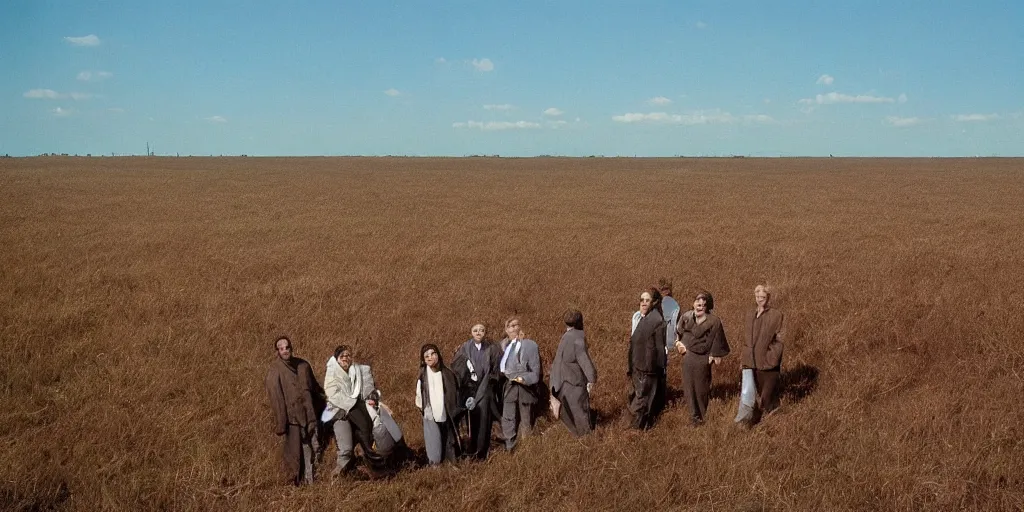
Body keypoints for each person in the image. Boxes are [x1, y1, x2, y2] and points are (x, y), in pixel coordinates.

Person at [322, 346, 392, 477]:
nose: (345, 358)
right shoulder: (331, 374)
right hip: (340, 414)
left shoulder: (356, 371)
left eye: (348, 355)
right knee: (346, 449)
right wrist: (353, 404)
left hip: (355, 410)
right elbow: (334, 396)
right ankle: (337, 476)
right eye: (342, 356)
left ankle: (375, 469)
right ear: (336, 359)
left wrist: (371, 399)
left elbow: (366, 389)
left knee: (365, 433)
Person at [265, 336, 321, 485]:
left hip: (309, 414)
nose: (285, 351)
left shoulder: (303, 366)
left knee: (314, 448)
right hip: (292, 417)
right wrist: (281, 422)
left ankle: (312, 481)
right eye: (281, 348)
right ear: (277, 351)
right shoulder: (275, 370)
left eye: (287, 347)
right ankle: (293, 483)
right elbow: (276, 397)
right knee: (293, 453)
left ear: (291, 348)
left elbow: (315, 389)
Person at [675, 291, 731, 426]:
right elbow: (678, 333)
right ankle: (693, 417)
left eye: (704, 305)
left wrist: (714, 355)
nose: (700, 306)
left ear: (708, 307)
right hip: (688, 356)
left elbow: (718, 339)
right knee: (689, 388)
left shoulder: (714, 321)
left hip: (703, 358)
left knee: (701, 389)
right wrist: (678, 344)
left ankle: (701, 417)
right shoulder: (686, 317)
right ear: (693, 304)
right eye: (698, 303)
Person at [451, 323, 502, 459]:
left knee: (484, 419)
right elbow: (457, 368)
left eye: (481, 330)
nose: (478, 332)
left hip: (485, 389)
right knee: (470, 419)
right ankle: (469, 449)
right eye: (475, 330)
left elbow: (496, 370)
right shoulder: (465, 348)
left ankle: (481, 452)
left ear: (485, 333)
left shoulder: (492, 348)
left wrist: (488, 383)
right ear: (471, 332)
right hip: (469, 389)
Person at [736, 285, 785, 422]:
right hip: (751, 362)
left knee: (767, 396)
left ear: (768, 297)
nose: (760, 299)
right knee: (751, 395)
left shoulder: (776, 315)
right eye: (757, 296)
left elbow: (780, 339)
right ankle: (753, 422)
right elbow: (746, 339)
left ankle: (774, 422)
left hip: (769, 364)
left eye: (763, 297)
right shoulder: (750, 313)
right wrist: (744, 359)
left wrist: (772, 358)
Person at [550, 309, 598, 436]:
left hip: (559, 385)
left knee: (570, 420)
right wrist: (592, 378)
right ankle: (588, 446)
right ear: (580, 321)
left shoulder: (564, 337)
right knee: (582, 420)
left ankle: (579, 444)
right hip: (574, 384)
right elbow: (584, 360)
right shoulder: (578, 338)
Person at [498, 316, 542, 450]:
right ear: (506, 329)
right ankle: (510, 446)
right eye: (510, 326)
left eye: (516, 325)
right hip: (509, 388)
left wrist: (525, 379)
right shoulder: (501, 346)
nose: (514, 328)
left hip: (525, 388)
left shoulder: (530, 345)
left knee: (526, 418)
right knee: (508, 418)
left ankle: (526, 448)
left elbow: (536, 370)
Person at [415, 343, 463, 464]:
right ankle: (435, 462)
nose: (430, 357)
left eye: (433, 354)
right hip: (430, 413)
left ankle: (451, 460)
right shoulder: (423, 376)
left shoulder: (447, 374)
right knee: (434, 444)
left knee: (449, 438)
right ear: (424, 360)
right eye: (427, 356)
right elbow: (420, 395)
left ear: (438, 355)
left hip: (447, 412)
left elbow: (454, 393)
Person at [628, 288, 667, 429]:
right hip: (639, 367)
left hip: (647, 369)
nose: (643, 303)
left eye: (647, 300)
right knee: (641, 399)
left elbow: (660, 349)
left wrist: (660, 369)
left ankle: (634, 431)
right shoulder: (643, 318)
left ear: (655, 302)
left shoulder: (657, 321)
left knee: (642, 402)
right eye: (642, 300)